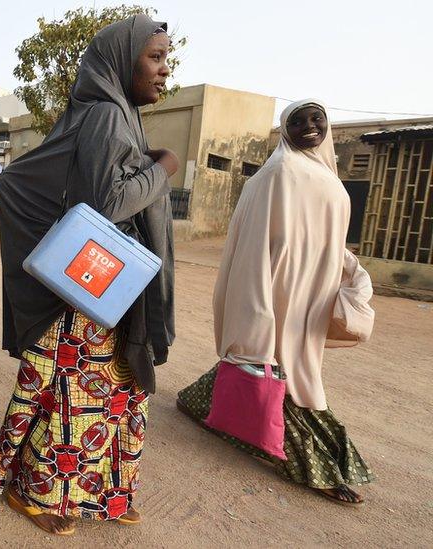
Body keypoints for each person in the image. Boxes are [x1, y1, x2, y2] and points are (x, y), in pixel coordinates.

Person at [0, 14, 178, 535]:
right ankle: (35, 490)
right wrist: (163, 168)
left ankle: (106, 494)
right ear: (123, 60)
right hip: (89, 293)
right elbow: (105, 204)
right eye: (156, 57)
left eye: (168, 59)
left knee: (116, 392)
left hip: (108, 286)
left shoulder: (118, 114)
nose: (165, 70)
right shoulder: (106, 117)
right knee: (76, 395)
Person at [177, 99, 375, 506]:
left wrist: (352, 272)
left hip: (313, 296)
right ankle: (312, 466)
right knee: (284, 368)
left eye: (316, 119)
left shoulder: (328, 176)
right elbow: (254, 246)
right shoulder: (278, 172)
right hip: (279, 291)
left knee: (282, 365)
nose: (308, 126)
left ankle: (199, 405)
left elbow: (328, 241)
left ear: (327, 126)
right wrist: (257, 306)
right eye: (297, 121)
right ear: (285, 130)